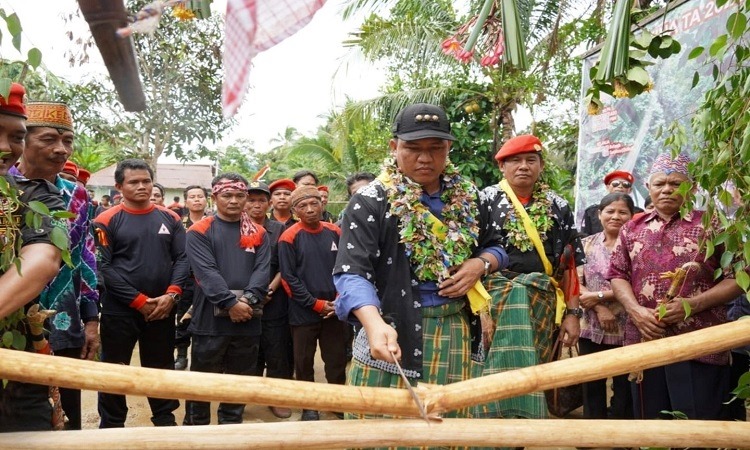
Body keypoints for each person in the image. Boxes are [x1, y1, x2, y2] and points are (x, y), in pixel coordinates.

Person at [333, 103, 506, 420]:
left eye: (435, 148)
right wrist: (373, 324)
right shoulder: (371, 200)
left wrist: (479, 265)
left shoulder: (469, 195)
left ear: (448, 148)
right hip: (392, 330)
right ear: (394, 147)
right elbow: (352, 272)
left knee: (447, 429)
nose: (425, 159)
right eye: (413, 148)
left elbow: (497, 246)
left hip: (455, 328)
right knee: (380, 433)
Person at [608, 152, 742, 420]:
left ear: (691, 187)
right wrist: (635, 311)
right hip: (646, 340)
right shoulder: (631, 228)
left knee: (698, 427)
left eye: (675, 183)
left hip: (699, 343)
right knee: (651, 426)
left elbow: (739, 276)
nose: (667, 189)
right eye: (659, 184)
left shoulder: (712, 224)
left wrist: (691, 306)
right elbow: (617, 274)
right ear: (648, 188)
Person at [475, 134, 584, 419]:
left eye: (530, 160)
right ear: (502, 167)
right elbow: (468, 259)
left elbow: (569, 263)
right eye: (515, 161)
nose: (523, 166)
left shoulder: (558, 205)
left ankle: (523, 438)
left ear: (540, 165)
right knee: (492, 372)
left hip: (542, 303)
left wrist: (573, 313)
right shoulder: (482, 201)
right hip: (493, 301)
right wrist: (481, 312)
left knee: (534, 372)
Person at [10, 101, 100, 430]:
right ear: (22, 141)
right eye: (48, 139)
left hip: (63, 321)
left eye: (68, 141)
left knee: (66, 415)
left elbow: (84, 258)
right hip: (12, 323)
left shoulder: (75, 194)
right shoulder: (5, 189)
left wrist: (91, 319)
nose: (61, 150)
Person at [93, 158, 189, 428]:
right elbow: (104, 266)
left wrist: (172, 294)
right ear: (119, 187)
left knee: (160, 368)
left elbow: (182, 258)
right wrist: (138, 301)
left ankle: (165, 422)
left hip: (161, 308)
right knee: (114, 370)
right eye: (133, 182)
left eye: (146, 181)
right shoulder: (105, 220)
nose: (142, 186)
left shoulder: (170, 218)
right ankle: (111, 427)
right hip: (119, 310)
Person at [0, 83, 66, 432]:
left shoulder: (36, 197)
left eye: (15, 136)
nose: (4, 147)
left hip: (17, 359)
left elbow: (43, 258)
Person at [183, 173, 270, 425]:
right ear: (215, 197)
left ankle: (231, 428)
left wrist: (249, 301)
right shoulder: (199, 231)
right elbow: (206, 272)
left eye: (239, 195)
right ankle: (195, 431)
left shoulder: (259, 233)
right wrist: (230, 303)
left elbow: (263, 271)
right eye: (227, 195)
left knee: (239, 381)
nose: (234, 200)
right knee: (201, 382)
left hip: (248, 319)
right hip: (209, 321)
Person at [279, 186, 346, 421]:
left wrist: (339, 301)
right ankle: (309, 406)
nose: (309, 209)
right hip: (303, 312)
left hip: (335, 311)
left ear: (321, 204)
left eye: (314, 204)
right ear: (295, 210)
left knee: (336, 359)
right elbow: (289, 279)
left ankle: (337, 402)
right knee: (304, 360)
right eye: (303, 206)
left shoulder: (335, 231)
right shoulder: (289, 237)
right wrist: (315, 304)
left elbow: (345, 269)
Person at [577, 193, 634, 420]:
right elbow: (574, 283)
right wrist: (600, 308)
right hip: (590, 323)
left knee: (624, 384)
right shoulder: (585, 244)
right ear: (599, 214)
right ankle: (592, 435)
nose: (616, 216)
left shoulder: (637, 245)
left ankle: (620, 436)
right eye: (610, 211)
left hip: (627, 326)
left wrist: (600, 295)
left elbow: (638, 285)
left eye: (623, 212)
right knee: (591, 382)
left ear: (632, 216)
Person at [245, 180, 294, 419]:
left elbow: (286, 265)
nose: (256, 205)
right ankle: (245, 396)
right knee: (246, 350)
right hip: (241, 300)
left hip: (274, 298)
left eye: (261, 200)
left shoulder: (279, 229)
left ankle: (277, 398)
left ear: (269, 202)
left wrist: (270, 290)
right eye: (251, 200)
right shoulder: (234, 227)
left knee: (277, 349)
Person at [174, 185, 209, 371]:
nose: (196, 200)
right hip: (185, 277)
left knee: (206, 316)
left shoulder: (214, 222)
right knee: (183, 316)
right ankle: (181, 354)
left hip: (208, 278)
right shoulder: (178, 224)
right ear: (186, 201)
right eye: (192, 197)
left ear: (206, 200)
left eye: (200, 196)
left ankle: (202, 357)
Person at [581, 169, 642, 236]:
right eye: (615, 183)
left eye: (625, 184)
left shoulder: (639, 213)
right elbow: (584, 236)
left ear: (630, 190)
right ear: (607, 187)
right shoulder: (591, 212)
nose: (620, 186)